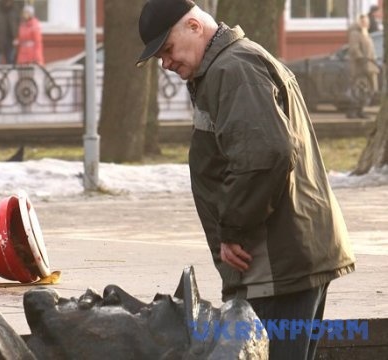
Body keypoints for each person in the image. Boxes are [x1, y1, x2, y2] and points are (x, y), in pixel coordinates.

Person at [135, 1, 356, 359]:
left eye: (168, 49)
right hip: (288, 261)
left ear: (194, 26)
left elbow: (266, 153)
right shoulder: (233, 64)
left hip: (275, 268)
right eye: (160, 56)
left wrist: (233, 230)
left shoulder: (232, 69)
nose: (166, 63)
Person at [347, 14, 379, 119]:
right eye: (364, 21)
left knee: (368, 89)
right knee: (358, 89)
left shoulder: (366, 34)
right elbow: (354, 49)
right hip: (360, 67)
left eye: (367, 21)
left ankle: (361, 110)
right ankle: (353, 111)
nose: (366, 23)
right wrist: (361, 59)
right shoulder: (355, 34)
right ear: (360, 22)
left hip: (369, 66)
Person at [0, 0, 20, 65]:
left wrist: (16, 35)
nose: (9, 2)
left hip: (11, 41)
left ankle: (10, 75)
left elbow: (18, 23)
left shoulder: (14, 8)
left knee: (11, 64)